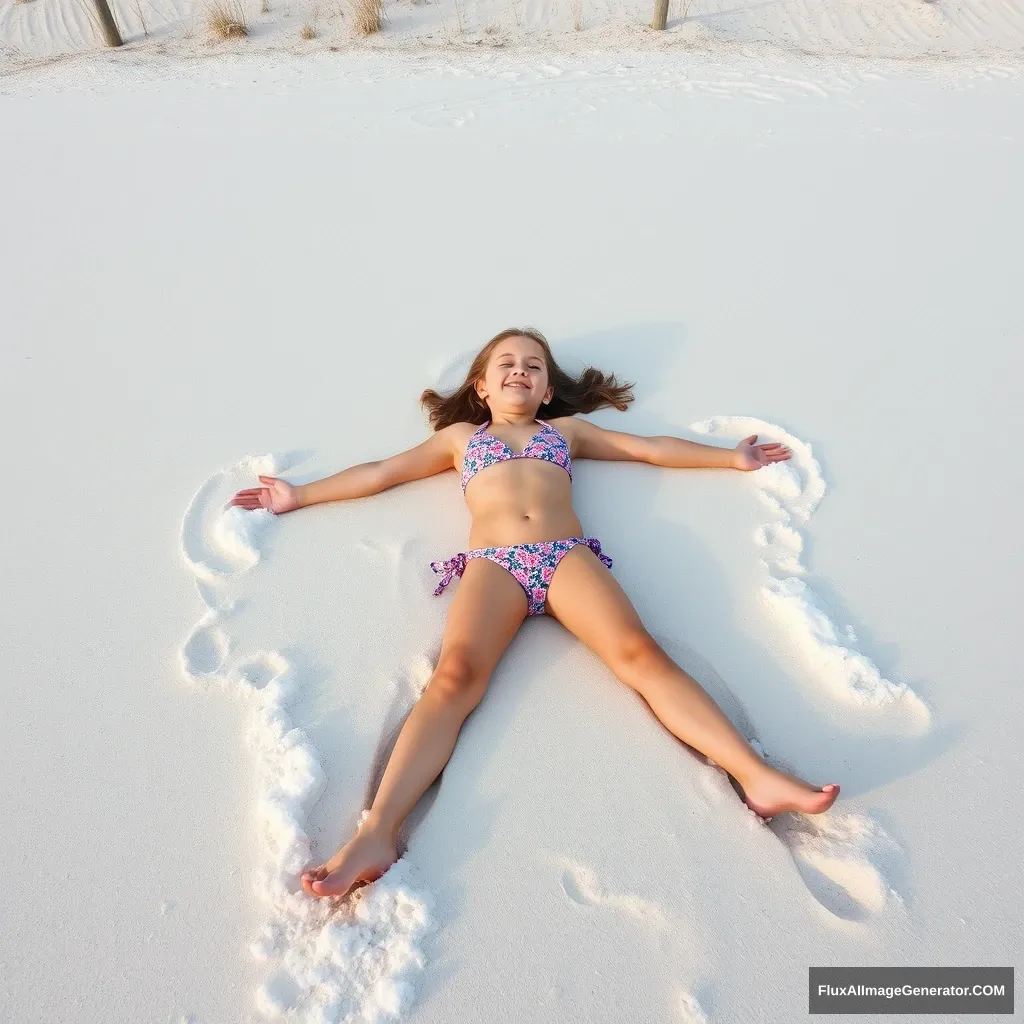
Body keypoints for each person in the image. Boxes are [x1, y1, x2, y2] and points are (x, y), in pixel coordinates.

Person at [230, 327, 839, 899]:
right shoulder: (460, 440)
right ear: (482, 388)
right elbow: (383, 473)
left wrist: (730, 458)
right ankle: (377, 832)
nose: (519, 371)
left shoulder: (567, 432)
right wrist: (300, 494)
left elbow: (648, 450)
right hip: (493, 562)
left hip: (565, 555)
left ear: (548, 391)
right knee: (454, 678)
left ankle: (753, 775)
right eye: (506, 364)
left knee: (641, 654)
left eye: (532, 366)